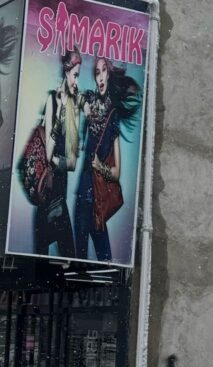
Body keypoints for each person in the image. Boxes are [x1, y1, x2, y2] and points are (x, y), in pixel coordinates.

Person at [74, 56, 141, 262]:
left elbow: (116, 172)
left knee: (105, 261)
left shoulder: (113, 117)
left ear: (109, 75)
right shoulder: (90, 98)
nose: (100, 76)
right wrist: (84, 105)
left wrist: (99, 166)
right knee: (80, 259)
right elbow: (77, 95)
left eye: (104, 71)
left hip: (97, 201)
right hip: (82, 196)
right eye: (97, 72)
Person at [35, 47, 83, 258]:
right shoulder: (51, 100)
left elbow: (71, 163)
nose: (77, 81)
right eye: (75, 75)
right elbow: (47, 155)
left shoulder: (74, 108)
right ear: (66, 71)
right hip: (46, 197)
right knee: (42, 260)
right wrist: (59, 113)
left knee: (68, 257)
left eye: (78, 76)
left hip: (59, 200)